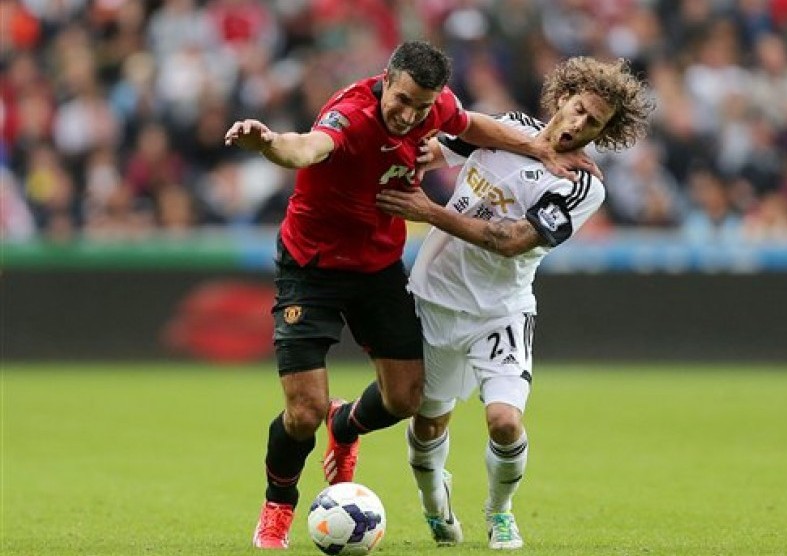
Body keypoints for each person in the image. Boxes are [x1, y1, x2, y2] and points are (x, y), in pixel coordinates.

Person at [223, 40, 597, 550]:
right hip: (311, 268)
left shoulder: (432, 107)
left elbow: (469, 123)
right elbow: (307, 147)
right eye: (402, 100)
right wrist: (268, 143)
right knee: (302, 412)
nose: (409, 115)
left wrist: (538, 147)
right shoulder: (350, 116)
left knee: (405, 398)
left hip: (378, 268)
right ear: (387, 79)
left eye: (422, 107)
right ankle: (277, 506)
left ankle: (346, 424)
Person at [376, 56, 653, 550]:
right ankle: (434, 504)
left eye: (595, 123)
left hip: (500, 311)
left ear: (606, 132)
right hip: (435, 297)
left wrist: (430, 212)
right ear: (562, 97)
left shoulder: (582, 186)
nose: (580, 124)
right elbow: (441, 147)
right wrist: (425, 157)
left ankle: (500, 512)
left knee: (504, 421)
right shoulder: (505, 127)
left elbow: (510, 241)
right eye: (579, 109)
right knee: (428, 419)